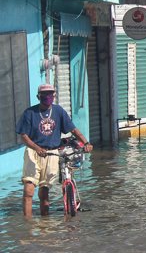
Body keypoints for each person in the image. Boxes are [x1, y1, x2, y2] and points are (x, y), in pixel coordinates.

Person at [16, 84, 93, 217]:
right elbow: (23, 135)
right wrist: (36, 148)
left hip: (52, 153)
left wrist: (86, 142)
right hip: (33, 153)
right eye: (44, 95)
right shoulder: (29, 113)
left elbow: (73, 129)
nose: (47, 97)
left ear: (54, 96)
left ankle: (44, 223)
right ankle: (28, 227)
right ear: (38, 97)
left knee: (44, 192)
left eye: (50, 94)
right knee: (28, 191)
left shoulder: (58, 111)